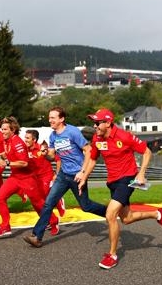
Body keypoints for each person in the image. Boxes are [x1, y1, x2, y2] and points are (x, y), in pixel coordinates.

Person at [83, 108, 162, 269]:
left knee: (110, 214)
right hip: (112, 182)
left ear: (108, 123)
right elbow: (92, 159)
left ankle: (112, 255)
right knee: (127, 219)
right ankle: (157, 213)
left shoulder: (124, 136)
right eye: (93, 123)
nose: (94, 126)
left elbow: (147, 152)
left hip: (127, 178)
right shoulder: (96, 139)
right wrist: (83, 177)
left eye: (97, 123)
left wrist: (141, 174)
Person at [23, 106, 107, 248]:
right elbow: (51, 155)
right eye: (49, 118)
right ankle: (37, 236)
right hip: (63, 175)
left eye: (53, 118)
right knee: (48, 204)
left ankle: (109, 212)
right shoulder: (53, 136)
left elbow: (88, 150)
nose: (50, 120)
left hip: (77, 175)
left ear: (61, 119)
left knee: (86, 206)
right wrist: (45, 153)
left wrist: (83, 172)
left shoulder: (72, 132)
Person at [0, 116, 60, 238]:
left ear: (12, 130)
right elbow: (7, 153)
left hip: (27, 179)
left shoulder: (17, 142)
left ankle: (54, 221)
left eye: (4, 129)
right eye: (1, 129)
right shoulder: (6, 141)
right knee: (0, 197)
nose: (1, 131)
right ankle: (5, 226)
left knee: (38, 203)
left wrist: (7, 163)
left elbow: (24, 163)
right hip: (15, 177)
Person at [24, 129, 66, 217]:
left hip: (46, 175)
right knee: (40, 198)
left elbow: (58, 160)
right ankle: (48, 218)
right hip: (35, 177)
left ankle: (58, 201)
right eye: (25, 137)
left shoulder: (42, 148)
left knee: (45, 195)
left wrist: (57, 174)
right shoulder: (24, 150)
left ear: (34, 140)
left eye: (28, 138)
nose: (25, 140)